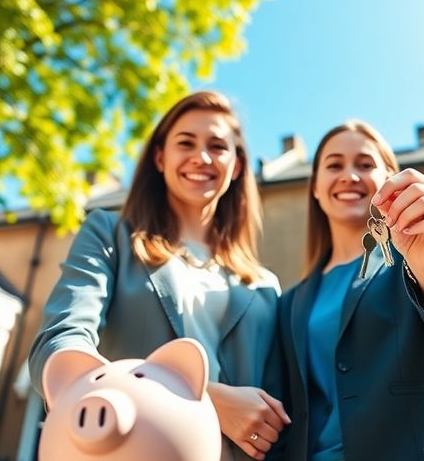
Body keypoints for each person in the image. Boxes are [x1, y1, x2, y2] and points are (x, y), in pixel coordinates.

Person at [29, 91, 290, 461]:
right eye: (185, 142)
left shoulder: (264, 286)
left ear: (236, 167)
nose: (201, 157)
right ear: (160, 158)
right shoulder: (109, 235)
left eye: (217, 146)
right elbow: (61, 340)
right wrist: (208, 399)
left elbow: (276, 408)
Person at [277, 120, 424, 460]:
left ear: (389, 179)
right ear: (315, 186)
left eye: (365, 164)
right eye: (334, 165)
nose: (350, 175)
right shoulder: (289, 303)